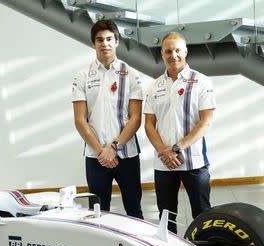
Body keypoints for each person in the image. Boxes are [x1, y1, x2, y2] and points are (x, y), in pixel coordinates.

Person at [144, 32, 216, 233]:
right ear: (162, 53)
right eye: (168, 51)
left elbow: (205, 122)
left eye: (177, 50)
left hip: (194, 162)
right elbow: (149, 124)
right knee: (166, 216)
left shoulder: (201, 82)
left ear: (185, 51)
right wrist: (164, 152)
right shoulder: (154, 86)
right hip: (164, 164)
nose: (173, 55)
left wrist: (176, 148)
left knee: (203, 215)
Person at [72, 19, 144, 218]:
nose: (105, 44)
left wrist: (113, 148)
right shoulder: (82, 76)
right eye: (99, 40)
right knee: (98, 213)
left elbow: (136, 117)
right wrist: (101, 151)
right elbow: (79, 120)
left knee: (134, 210)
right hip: (96, 157)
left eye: (109, 39)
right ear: (93, 43)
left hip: (127, 154)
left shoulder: (130, 74)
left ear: (117, 41)